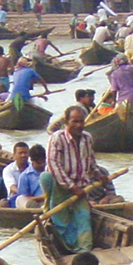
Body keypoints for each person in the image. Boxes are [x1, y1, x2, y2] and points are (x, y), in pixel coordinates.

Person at [45, 106, 110, 252]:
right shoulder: (57, 138)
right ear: (66, 122)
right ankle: (66, 246)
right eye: (74, 122)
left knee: (84, 218)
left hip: (81, 188)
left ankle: (83, 250)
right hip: (60, 186)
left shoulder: (87, 138)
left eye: (81, 122)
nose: (79, 125)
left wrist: (98, 174)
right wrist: (72, 187)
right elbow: (54, 165)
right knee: (61, 220)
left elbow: (91, 161)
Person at [0, 141, 30, 206]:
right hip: (15, 198)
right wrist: (24, 194)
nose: (23, 155)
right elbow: (12, 187)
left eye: (25, 153)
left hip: (33, 196)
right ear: (14, 155)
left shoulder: (32, 168)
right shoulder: (8, 170)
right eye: (20, 153)